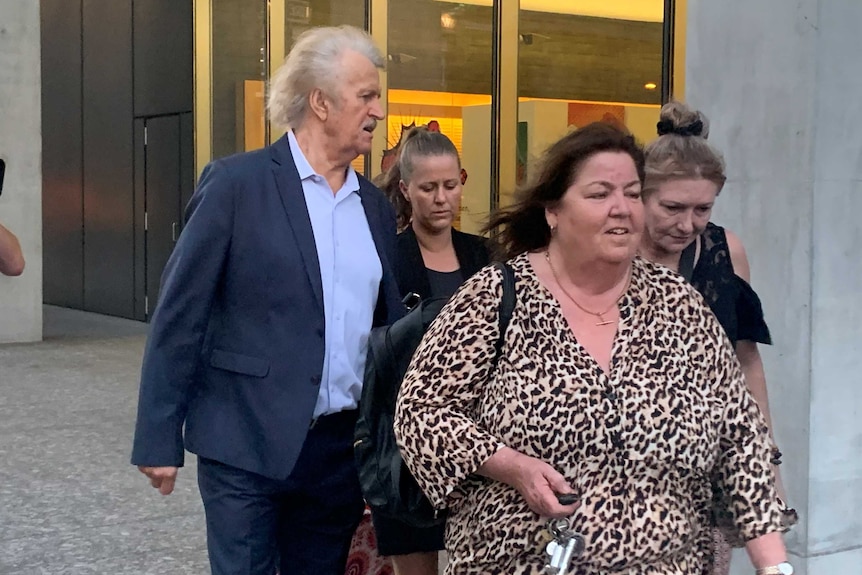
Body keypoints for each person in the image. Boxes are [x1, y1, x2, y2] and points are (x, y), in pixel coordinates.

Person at [394, 123, 795, 574]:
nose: (621, 209)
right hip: (522, 561)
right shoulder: (496, 296)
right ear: (553, 211)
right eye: (600, 194)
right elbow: (421, 412)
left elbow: (740, 436)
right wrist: (510, 465)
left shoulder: (679, 304)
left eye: (632, 193)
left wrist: (773, 564)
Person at [130, 25, 403, 575]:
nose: (380, 107)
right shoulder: (237, 184)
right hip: (244, 441)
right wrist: (158, 436)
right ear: (321, 102)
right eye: (366, 95)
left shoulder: (373, 206)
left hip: (336, 455)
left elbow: (384, 332)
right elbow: (181, 314)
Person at [639, 101, 790, 574]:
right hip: (627, 455)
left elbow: (745, 362)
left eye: (702, 209)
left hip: (708, 455)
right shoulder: (612, 252)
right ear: (638, 196)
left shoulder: (726, 252)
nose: (687, 224)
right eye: (672, 208)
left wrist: (767, 464)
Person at [372, 127, 490, 575]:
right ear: (405, 189)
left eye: (449, 185)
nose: (441, 198)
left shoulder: (485, 257)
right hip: (407, 449)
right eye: (428, 188)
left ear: (462, 180)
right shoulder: (387, 262)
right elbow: (376, 358)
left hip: (479, 448)